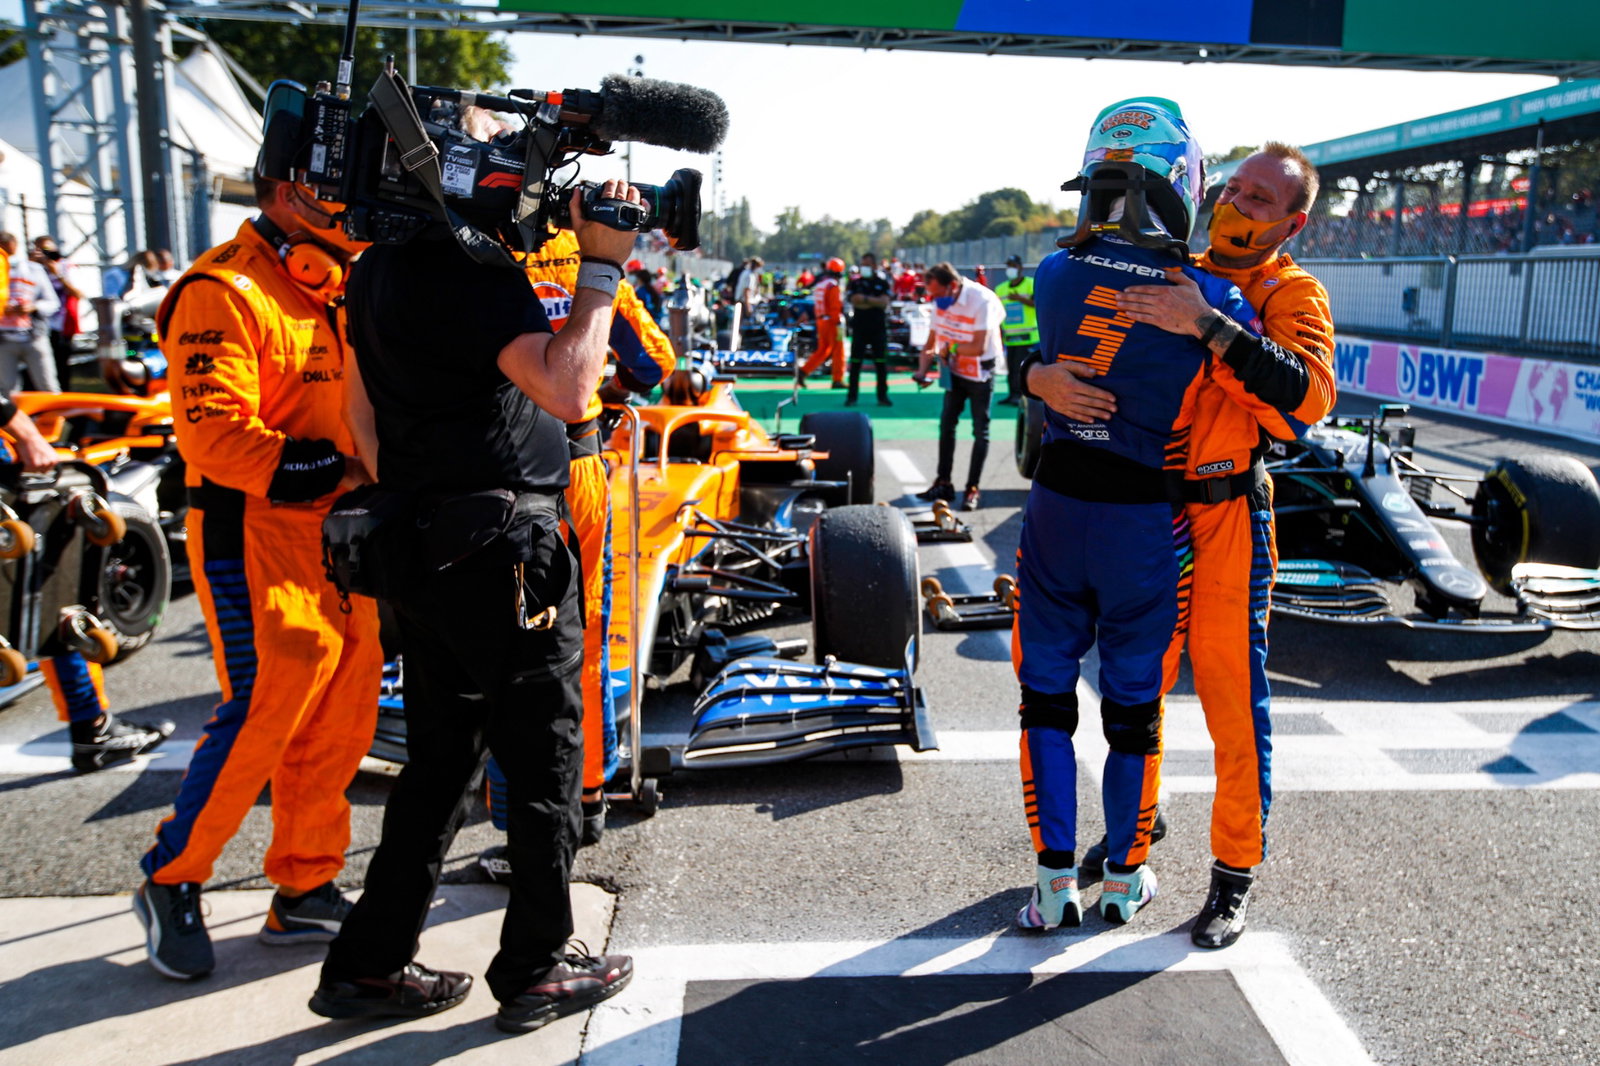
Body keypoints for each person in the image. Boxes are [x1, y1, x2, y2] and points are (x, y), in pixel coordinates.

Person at [314, 181, 639, 1034]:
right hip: (502, 548)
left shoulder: (374, 267)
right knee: (543, 762)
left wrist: (430, 488)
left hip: (423, 544)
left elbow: (361, 419)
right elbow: (570, 389)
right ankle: (538, 966)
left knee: (439, 765)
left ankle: (367, 964)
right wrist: (602, 266)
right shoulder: (472, 265)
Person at [1010, 97, 1291, 933]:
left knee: (1044, 701)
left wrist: (1036, 377)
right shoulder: (1211, 295)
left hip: (1054, 510)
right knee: (1136, 708)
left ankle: (1052, 882)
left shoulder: (1052, 273)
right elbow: (1292, 407)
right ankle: (1128, 880)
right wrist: (1204, 322)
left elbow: (1059, 334)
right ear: (1184, 182)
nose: (1234, 206)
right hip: (1145, 519)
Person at [131, 169, 379, 981]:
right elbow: (218, 441)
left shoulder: (347, 284)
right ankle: (172, 876)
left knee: (344, 708)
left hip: (344, 531)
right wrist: (346, 472)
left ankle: (305, 883)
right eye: (327, 184)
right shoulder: (220, 289)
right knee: (266, 707)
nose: (346, 201)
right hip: (252, 527)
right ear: (279, 189)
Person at [1092, 142, 1337, 948]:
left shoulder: (1293, 293)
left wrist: (1206, 326)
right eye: (1232, 187)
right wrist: (1033, 378)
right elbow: (1088, 353)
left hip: (1231, 517)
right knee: (1134, 692)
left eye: (1259, 200)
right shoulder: (1168, 267)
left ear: (1292, 222)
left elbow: (1302, 404)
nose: (1236, 204)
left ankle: (1234, 877)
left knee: (1234, 707)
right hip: (1148, 518)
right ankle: (1133, 834)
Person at [505, 227, 676, 852]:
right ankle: (590, 795)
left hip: (503, 476)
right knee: (591, 634)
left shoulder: (478, 245)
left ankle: (523, 816)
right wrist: (605, 399)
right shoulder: (589, 254)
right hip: (582, 464)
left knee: (512, 646)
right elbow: (655, 362)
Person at [913, 262, 1004, 511]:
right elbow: (930, 343)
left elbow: (977, 346)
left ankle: (972, 488)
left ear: (952, 286)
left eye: (939, 295)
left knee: (980, 429)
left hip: (980, 371)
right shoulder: (939, 300)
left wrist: (951, 348)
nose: (936, 301)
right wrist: (921, 371)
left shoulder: (981, 299)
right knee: (947, 424)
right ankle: (943, 481)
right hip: (954, 370)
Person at [0, 232, 62, 394]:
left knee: (47, 386)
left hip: (34, 337)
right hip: (4, 340)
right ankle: (17, 419)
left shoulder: (32, 270)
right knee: (8, 391)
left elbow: (52, 302)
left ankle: (54, 419)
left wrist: (33, 306)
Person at [30, 237, 84, 391]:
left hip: (61, 323)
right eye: (40, 251)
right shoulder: (31, 269)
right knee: (38, 367)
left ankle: (63, 400)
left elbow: (78, 293)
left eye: (48, 251)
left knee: (61, 365)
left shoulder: (66, 266)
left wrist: (58, 274)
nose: (45, 255)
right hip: (37, 325)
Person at [845, 251, 893, 407]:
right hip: (859, 327)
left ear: (874, 265)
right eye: (862, 264)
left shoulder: (882, 282)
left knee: (880, 363)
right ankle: (852, 397)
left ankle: (882, 396)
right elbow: (855, 301)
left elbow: (884, 302)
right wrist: (874, 301)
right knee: (855, 364)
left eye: (867, 264)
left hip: (878, 328)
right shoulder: (855, 282)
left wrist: (865, 300)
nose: (864, 267)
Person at [796, 257, 845, 388]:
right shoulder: (833, 286)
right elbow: (835, 307)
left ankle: (803, 371)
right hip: (831, 321)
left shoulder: (821, 285)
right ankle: (837, 379)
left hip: (820, 321)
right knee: (838, 350)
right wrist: (838, 322)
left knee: (823, 349)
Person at [996, 254, 1037, 406]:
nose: (1010, 269)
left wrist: (1020, 299)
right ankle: (1012, 394)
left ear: (1020, 267)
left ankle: (1022, 397)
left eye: (1013, 265)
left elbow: (1037, 303)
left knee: (1023, 368)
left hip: (1028, 336)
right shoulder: (1000, 289)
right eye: (1008, 266)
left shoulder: (1031, 284)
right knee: (1011, 368)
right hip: (1010, 337)